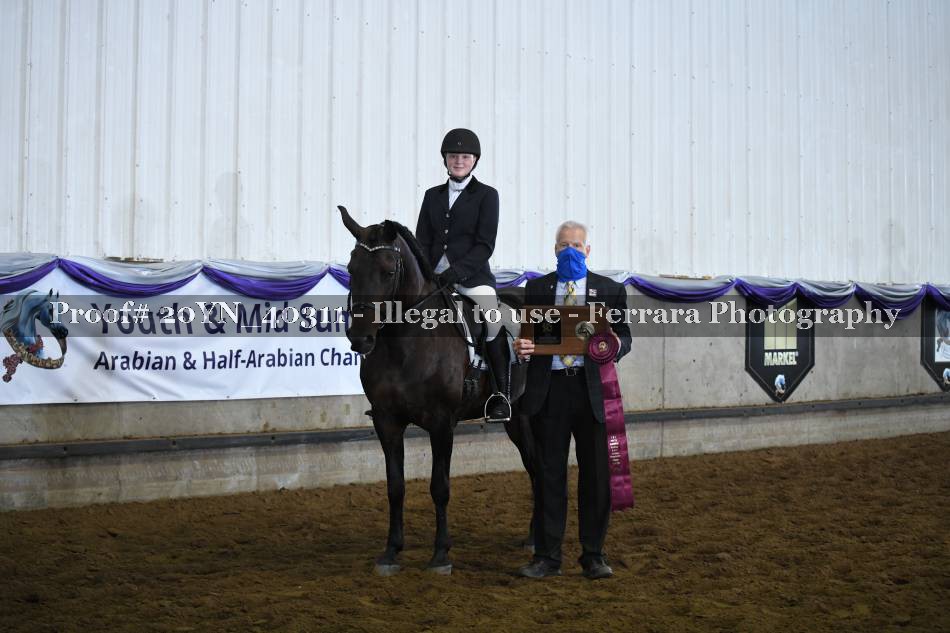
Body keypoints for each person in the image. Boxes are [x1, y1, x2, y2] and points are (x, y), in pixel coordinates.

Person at [513, 221, 632, 579]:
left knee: (596, 477)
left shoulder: (610, 290)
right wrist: (523, 346)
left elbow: (625, 336)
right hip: (548, 392)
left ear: (588, 250)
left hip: (591, 391)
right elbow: (531, 336)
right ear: (554, 249)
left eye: (576, 245)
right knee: (549, 476)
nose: (570, 250)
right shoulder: (537, 289)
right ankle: (547, 557)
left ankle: (593, 555)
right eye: (564, 244)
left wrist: (614, 344)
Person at [415, 128, 511, 423]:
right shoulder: (432, 195)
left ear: (474, 160)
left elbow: (485, 245)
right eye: (453, 156)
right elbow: (422, 240)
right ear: (445, 159)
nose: (459, 161)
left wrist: (455, 272)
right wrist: (428, 273)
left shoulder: (487, 195)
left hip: (472, 279)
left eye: (465, 157)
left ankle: (500, 394)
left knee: (493, 319)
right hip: (434, 279)